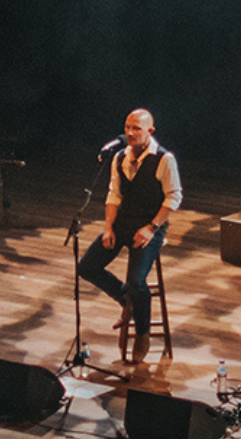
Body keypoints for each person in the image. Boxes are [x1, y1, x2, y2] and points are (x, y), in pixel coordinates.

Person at [78, 108, 182, 364]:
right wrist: (109, 227)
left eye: (137, 128)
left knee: (137, 281)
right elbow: (114, 194)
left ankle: (143, 334)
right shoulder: (119, 157)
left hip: (149, 225)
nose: (130, 133)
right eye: (128, 127)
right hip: (123, 222)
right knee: (87, 266)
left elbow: (174, 197)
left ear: (150, 131)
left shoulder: (163, 159)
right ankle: (127, 300)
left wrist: (152, 228)